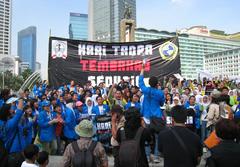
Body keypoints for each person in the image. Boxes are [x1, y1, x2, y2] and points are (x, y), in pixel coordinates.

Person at [139, 61, 165, 161]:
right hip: (157, 117)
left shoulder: (145, 90)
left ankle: (147, 155)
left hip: (146, 118)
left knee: (146, 136)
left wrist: (142, 68)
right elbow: (162, 104)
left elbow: (140, 81)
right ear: (157, 83)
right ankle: (157, 156)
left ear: (149, 83)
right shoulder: (160, 93)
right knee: (157, 137)